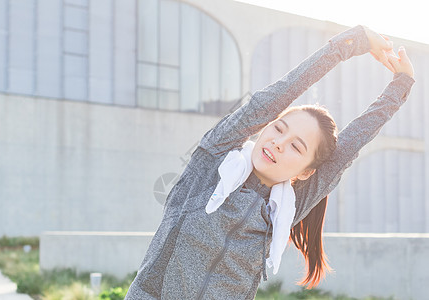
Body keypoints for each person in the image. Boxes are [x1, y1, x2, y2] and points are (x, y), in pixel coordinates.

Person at [125, 24, 415, 299]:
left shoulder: (284, 211)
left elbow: (349, 148)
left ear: (306, 172)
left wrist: (400, 85)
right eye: (279, 128)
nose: (278, 142)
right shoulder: (211, 165)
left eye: (296, 146)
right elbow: (271, 100)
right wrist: (350, 43)